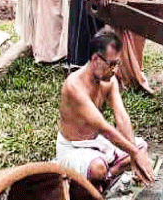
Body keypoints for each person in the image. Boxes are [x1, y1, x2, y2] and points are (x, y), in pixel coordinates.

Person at [56, 27, 155, 190]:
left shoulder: (109, 80)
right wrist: (133, 154)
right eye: (112, 64)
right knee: (98, 169)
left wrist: (135, 152)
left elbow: (121, 118)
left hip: (97, 143)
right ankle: (103, 175)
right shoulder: (73, 86)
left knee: (141, 146)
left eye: (118, 64)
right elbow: (103, 127)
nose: (115, 70)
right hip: (73, 148)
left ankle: (105, 177)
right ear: (95, 59)